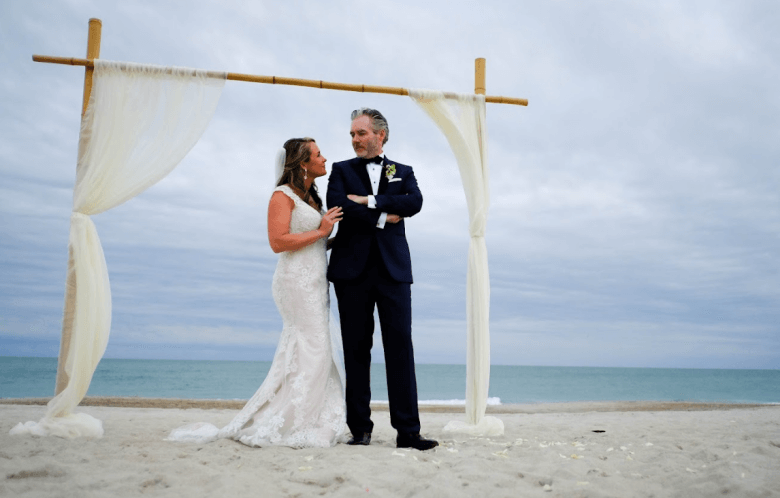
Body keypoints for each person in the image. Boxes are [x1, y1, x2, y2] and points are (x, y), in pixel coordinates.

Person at [168, 138, 347, 448]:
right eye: (318, 154)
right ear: (303, 163)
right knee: (314, 346)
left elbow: (314, 242)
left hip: (317, 280)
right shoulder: (281, 195)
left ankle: (313, 416)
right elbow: (278, 241)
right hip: (295, 283)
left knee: (313, 349)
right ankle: (294, 421)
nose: (324, 158)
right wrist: (321, 231)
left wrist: (334, 239)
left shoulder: (311, 196)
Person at [326, 108, 438, 451]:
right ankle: (359, 430)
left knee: (400, 349)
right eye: (352, 135)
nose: (355, 140)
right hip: (351, 272)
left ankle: (408, 432)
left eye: (361, 134)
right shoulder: (341, 170)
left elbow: (414, 202)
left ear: (381, 135)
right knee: (357, 351)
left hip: (394, 273)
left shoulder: (403, 171)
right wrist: (381, 217)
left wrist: (371, 199)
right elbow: (338, 205)